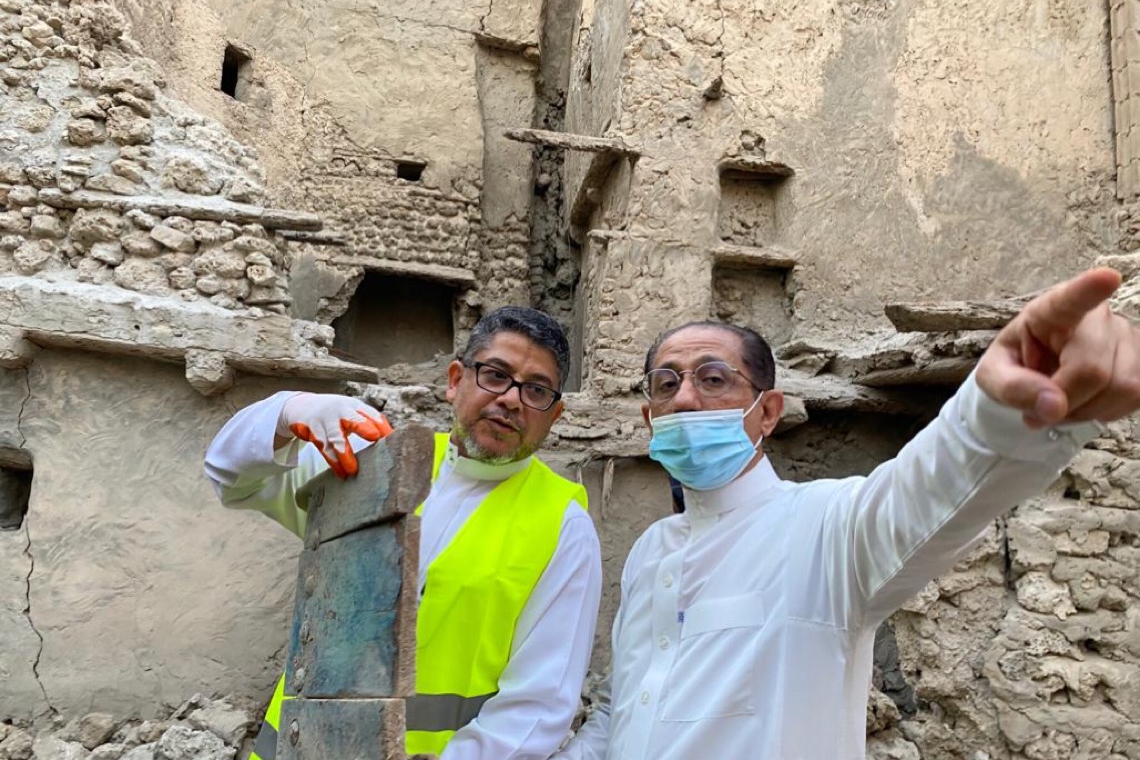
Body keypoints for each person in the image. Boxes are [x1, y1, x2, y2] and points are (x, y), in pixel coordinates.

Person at [554, 268, 1140, 760]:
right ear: (648, 417)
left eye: (713, 379)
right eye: (665, 384)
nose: (684, 398)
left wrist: (997, 412)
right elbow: (620, 706)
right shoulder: (651, 549)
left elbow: (931, 488)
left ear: (767, 413)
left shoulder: (826, 527)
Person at [204, 306, 603, 760]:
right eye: (496, 375)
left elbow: (535, 710)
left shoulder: (564, 527)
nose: (512, 399)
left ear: (555, 415)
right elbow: (228, 475)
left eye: (536, 390)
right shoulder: (372, 466)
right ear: (456, 380)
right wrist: (288, 411)